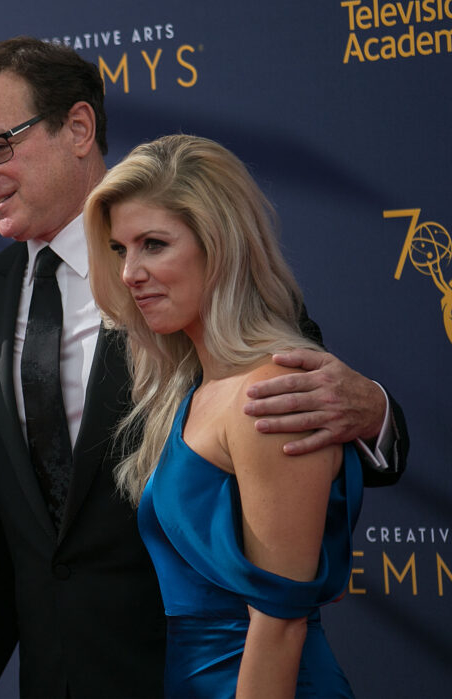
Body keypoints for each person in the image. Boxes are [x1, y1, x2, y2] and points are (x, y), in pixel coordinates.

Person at [0, 36, 408, 698]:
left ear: (77, 128)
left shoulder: (205, 278)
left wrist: (376, 413)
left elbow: (297, 402)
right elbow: (3, 537)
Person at [84, 133, 363, 696]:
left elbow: (279, 627)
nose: (130, 272)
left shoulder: (274, 392)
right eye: (120, 249)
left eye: (154, 244)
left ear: (222, 246)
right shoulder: (191, 387)